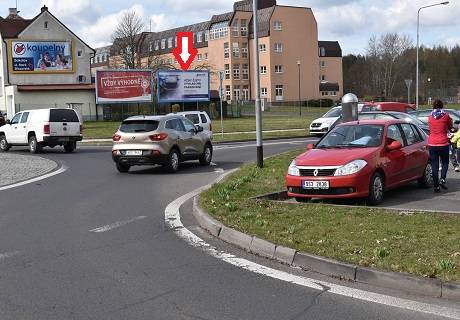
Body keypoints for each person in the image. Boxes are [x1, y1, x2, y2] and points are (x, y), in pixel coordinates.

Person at [428, 99, 454, 193]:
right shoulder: (446, 116)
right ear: (442, 106)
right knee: (445, 162)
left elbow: (430, 128)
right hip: (443, 143)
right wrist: (452, 130)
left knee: (434, 165)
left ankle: (436, 187)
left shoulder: (430, 116)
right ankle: (442, 179)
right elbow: (450, 127)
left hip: (432, 143)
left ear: (433, 106)